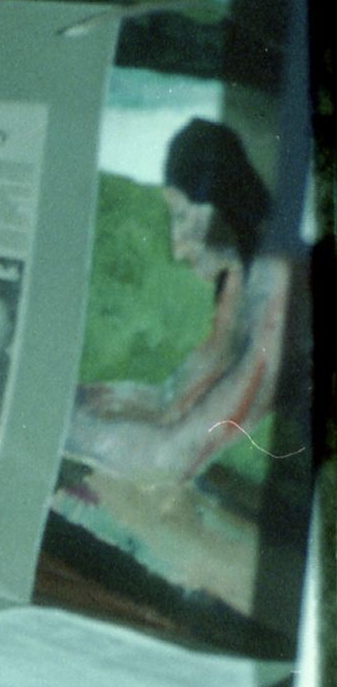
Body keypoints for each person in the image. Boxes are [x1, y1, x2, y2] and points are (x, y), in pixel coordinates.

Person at [66, 119, 296, 482]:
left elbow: (178, 452)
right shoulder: (240, 273)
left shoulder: (276, 292)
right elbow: (176, 398)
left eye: (184, 217)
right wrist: (86, 397)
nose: (178, 248)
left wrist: (69, 427)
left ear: (224, 202)